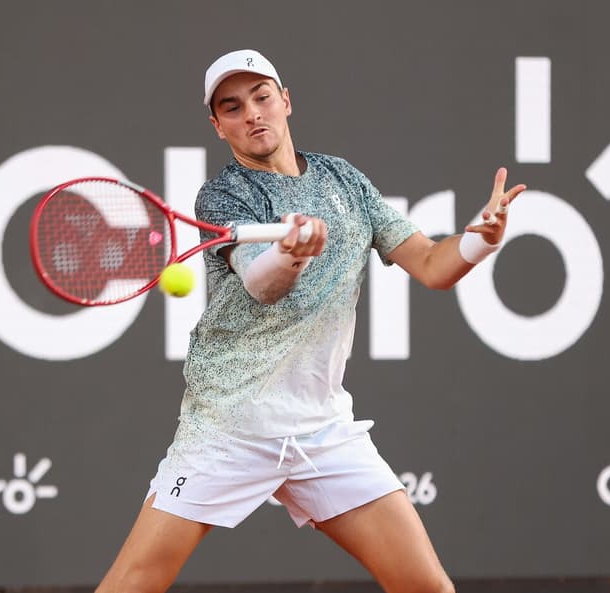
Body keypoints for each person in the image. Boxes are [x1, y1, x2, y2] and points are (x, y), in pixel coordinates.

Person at [96, 49, 525, 593]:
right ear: (217, 125)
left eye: (261, 97)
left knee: (426, 586)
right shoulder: (226, 194)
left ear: (285, 101)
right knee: (134, 584)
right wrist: (292, 253)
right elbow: (262, 283)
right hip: (231, 425)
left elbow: (433, 266)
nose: (251, 113)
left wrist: (479, 240)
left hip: (322, 430)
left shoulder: (343, 180)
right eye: (232, 107)